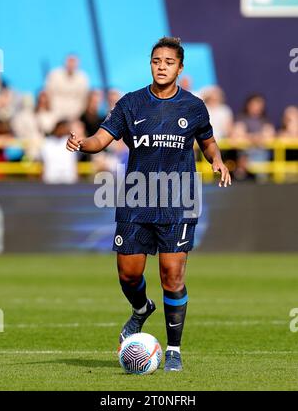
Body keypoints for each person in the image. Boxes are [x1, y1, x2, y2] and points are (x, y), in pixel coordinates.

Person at [66, 37, 231, 372]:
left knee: (172, 274)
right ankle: (141, 309)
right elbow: (102, 137)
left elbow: (208, 142)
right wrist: (84, 143)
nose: (162, 66)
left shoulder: (194, 106)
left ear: (180, 68)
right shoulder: (131, 103)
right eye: (157, 61)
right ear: (150, 64)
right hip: (137, 197)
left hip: (178, 199)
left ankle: (173, 349)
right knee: (129, 275)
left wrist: (218, 161)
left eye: (169, 62)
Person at [46, 54, 89, 121]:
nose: (71, 64)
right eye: (69, 61)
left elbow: (84, 98)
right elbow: (48, 93)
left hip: (74, 114)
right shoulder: (54, 74)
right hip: (55, 112)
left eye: (73, 62)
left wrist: (77, 114)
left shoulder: (82, 77)